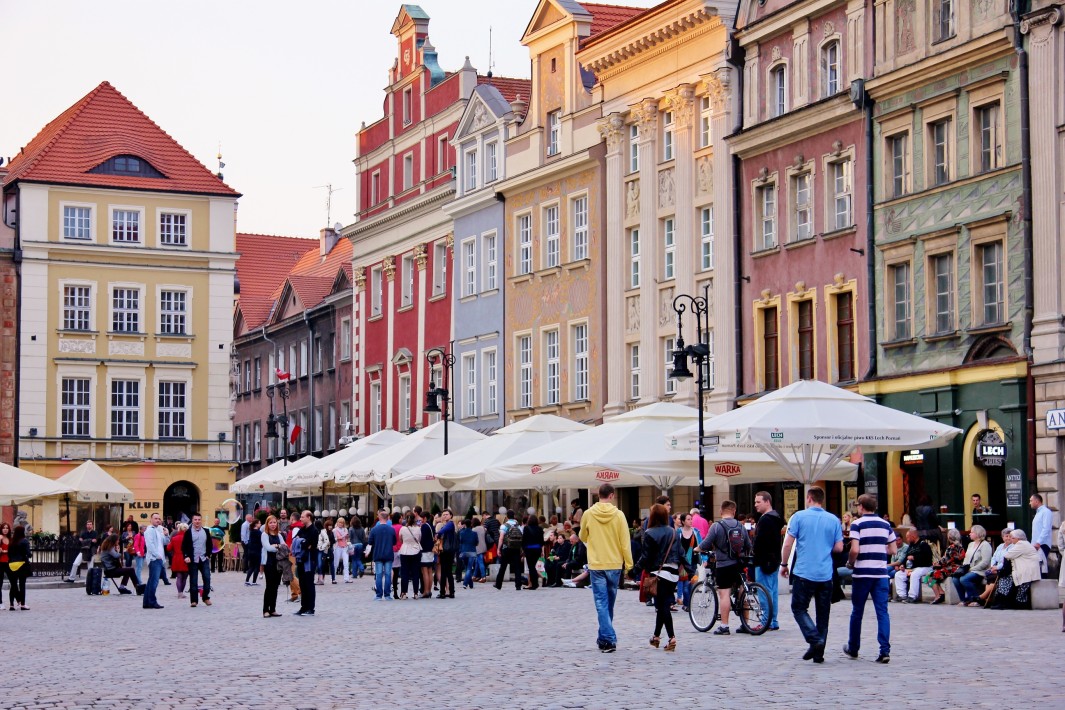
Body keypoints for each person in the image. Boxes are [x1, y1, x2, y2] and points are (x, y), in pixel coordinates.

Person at [779, 487, 844, 663]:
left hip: (804, 573)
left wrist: (784, 564)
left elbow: (787, 545)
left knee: (799, 608)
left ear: (809, 498)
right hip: (825, 573)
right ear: (821, 500)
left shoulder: (799, 517)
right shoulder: (833, 520)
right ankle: (819, 652)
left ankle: (815, 639)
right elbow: (839, 548)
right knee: (823, 614)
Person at [842, 494, 896, 664]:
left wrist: (850, 562)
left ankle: (853, 647)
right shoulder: (886, 524)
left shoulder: (857, 524)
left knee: (857, 612)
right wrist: (878, 549)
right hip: (880, 574)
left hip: (862, 573)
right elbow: (893, 549)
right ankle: (884, 650)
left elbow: (855, 550)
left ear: (861, 507)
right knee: (882, 612)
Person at [579, 483, 633, 653]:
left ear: (598, 495)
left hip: (596, 564)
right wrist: (629, 564)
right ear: (611, 495)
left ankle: (606, 638)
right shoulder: (619, 515)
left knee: (602, 603)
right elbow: (625, 542)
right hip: (614, 564)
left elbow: (582, 536)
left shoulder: (588, 514)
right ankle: (607, 638)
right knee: (609, 603)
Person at [697, 500, 751, 636]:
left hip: (723, 565)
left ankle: (724, 626)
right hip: (739, 564)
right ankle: (746, 624)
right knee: (742, 591)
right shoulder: (740, 525)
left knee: (724, 594)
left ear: (721, 511)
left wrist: (698, 548)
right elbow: (749, 545)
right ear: (734, 511)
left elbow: (706, 543)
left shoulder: (716, 526)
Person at [642, 503, 687, 653]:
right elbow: (681, 554)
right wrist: (691, 571)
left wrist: (634, 570)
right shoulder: (673, 532)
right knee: (663, 606)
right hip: (673, 573)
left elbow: (646, 557)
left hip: (659, 573)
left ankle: (671, 637)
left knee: (663, 606)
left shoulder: (649, 533)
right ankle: (656, 636)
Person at [753, 491, 785, 631]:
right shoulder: (776, 517)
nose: (756, 505)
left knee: (764, 591)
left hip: (764, 560)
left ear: (767, 501)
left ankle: (766, 621)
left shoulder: (766, 519)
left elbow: (761, 542)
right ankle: (773, 620)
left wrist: (754, 552)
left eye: (758, 502)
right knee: (772, 591)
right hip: (774, 559)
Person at [991, 529, 1041, 609]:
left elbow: (1008, 555)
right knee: (1005, 578)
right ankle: (1002, 601)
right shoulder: (1022, 544)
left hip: (1026, 572)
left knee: (1005, 578)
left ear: (1019, 538)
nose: (1010, 539)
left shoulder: (1021, 544)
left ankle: (1003, 601)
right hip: (1023, 570)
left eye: (1012, 538)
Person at [952, 524, 992, 607]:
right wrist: (963, 569)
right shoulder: (970, 544)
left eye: (972, 532)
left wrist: (972, 569)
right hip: (969, 569)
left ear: (977, 533)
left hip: (980, 570)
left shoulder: (985, 545)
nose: (969, 534)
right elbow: (966, 559)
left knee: (964, 579)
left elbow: (985, 561)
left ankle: (974, 599)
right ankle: (963, 600)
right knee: (955, 578)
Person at [893, 529, 934, 603]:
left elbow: (927, 558)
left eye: (908, 537)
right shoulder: (911, 546)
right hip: (912, 568)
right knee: (898, 574)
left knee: (915, 574)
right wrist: (902, 565)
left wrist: (914, 558)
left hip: (925, 567)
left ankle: (912, 596)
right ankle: (902, 595)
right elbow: (906, 558)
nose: (907, 540)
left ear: (913, 536)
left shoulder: (923, 544)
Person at [182, 513, 213, 608]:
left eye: (199, 519)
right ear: (192, 520)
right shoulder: (188, 532)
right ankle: (194, 600)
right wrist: (186, 556)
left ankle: (206, 597)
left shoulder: (206, 531)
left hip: (203, 559)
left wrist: (208, 554)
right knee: (193, 580)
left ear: (201, 520)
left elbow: (209, 545)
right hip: (193, 560)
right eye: (195, 519)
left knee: (207, 578)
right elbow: (184, 546)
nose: (197, 521)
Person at [927, 528, 965, 604]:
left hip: (950, 569)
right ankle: (941, 593)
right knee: (933, 574)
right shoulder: (961, 547)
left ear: (949, 537)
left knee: (929, 576)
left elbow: (945, 560)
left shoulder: (951, 548)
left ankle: (938, 596)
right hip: (957, 568)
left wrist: (935, 565)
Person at [367, 510, 397, 600]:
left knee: (379, 575)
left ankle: (379, 595)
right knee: (388, 574)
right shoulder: (391, 529)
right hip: (388, 554)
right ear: (388, 518)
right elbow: (394, 542)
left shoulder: (374, 529)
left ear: (379, 518)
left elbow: (370, 542)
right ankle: (387, 595)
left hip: (378, 554)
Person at [293, 510, 318, 615]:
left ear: (309, 517)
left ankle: (310, 608)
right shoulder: (302, 529)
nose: (301, 519)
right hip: (301, 560)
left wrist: (302, 542)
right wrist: (301, 542)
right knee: (302, 584)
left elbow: (307, 544)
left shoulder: (314, 530)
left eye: (303, 517)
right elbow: (296, 541)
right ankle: (303, 607)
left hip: (309, 560)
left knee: (309, 584)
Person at [142, 513, 169, 610]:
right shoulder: (149, 531)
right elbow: (150, 545)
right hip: (154, 559)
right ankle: (152, 602)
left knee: (151, 581)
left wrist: (166, 535)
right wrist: (157, 556)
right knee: (154, 581)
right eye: (155, 518)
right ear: (151, 519)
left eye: (159, 518)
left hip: (159, 558)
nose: (158, 520)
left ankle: (146, 602)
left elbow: (166, 543)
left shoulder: (159, 530)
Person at [494, 510, 524, 591]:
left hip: (506, 548)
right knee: (517, 567)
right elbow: (522, 537)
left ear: (507, 516)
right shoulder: (518, 526)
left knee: (503, 566)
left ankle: (498, 584)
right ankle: (518, 585)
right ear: (514, 516)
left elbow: (501, 538)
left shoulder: (504, 526)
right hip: (516, 548)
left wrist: (498, 549)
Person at [675, 514, 700, 611]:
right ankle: (685, 603)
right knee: (683, 583)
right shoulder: (678, 532)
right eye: (688, 519)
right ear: (683, 521)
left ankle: (687, 604)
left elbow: (701, 544)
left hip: (693, 561)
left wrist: (704, 559)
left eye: (691, 519)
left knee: (690, 583)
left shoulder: (696, 532)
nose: (691, 521)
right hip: (682, 562)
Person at [260, 515, 283, 617]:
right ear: (267, 524)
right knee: (269, 586)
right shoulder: (265, 535)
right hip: (269, 562)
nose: (273, 525)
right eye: (271, 523)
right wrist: (278, 546)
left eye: (274, 522)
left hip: (278, 562)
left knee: (276, 586)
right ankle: (265, 609)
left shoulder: (279, 535)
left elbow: (284, 546)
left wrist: (277, 546)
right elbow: (268, 548)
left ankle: (273, 609)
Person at [398, 512, 422, 600]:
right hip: (415, 550)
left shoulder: (403, 529)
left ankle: (404, 593)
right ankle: (416, 593)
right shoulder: (418, 529)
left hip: (405, 550)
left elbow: (400, 539)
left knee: (404, 573)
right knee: (416, 572)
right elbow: (419, 539)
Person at [7, 526, 30, 611]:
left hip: (12, 565)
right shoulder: (24, 541)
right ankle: (23, 604)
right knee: (22, 584)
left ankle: (11, 605)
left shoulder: (12, 542)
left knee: (13, 585)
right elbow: (28, 553)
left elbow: (9, 554)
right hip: (22, 564)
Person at [436, 509, 457, 598]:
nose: (445, 516)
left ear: (451, 515)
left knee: (445, 571)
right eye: (443, 515)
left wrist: (438, 533)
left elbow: (441, 532)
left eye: (447, 514)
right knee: (447, 572)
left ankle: (443, 592)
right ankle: (450, 592)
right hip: (448, 550)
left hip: (447, 550)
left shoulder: (450, 524)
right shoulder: (447, 524)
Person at [167, 523, 189, 599]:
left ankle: (179, 592)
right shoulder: (189, 538)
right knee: (185, 577)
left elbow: (169, 548)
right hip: (186, 558)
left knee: (179, 576)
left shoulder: (174, 538)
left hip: (177, 558)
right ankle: (182, 592)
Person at [521, 513, 543, 591]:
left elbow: (524, 540)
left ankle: (534, 584)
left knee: (531, 567)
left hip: (529, 549)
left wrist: (524, 549)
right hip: (537, 549)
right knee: (533, 566)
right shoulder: (540, 529)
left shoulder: (526, 528)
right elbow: (541, 541)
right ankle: (535, 583)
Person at [1031, 494, 1053, 558]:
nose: (1030, 503)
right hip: (1036, 544)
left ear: (1037, 501)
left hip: (1042, 544)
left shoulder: (1046, 512)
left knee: (1041, 566)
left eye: (1031, 501)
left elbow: (1046, 528)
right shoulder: (1038, 513)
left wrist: (1038, 542)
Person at [244, 519, 263, 586]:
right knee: (257, 567)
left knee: (251, 566)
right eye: (259, 523)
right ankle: (254, 581)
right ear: (256, 524)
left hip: (251, 551)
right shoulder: (258, 532)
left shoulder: (251, 531)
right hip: (257, 551)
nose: (260, 525)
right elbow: (261, 541)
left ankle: (247, 580)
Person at [471, 516, 488, 583]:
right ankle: (474, 576)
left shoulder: (473, 530)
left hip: (477, 547)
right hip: (484, 546)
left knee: (480, 562)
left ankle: (483, 577)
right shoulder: (483, 528)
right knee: (478, 562)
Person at [0, 522, 10, 608]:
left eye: (7, 528)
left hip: (9, 562)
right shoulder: (0, 538)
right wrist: (6, 551)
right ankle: (0, 602)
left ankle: (17, 601)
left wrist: (4, 551)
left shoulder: (10, 539)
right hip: (0, 562)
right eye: (4, 528)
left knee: (13, 582)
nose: (5, 529)